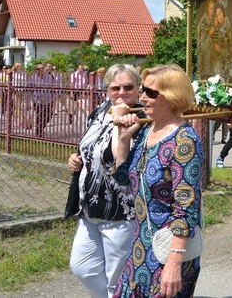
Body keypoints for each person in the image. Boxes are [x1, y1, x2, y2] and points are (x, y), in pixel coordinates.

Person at [113, 64, 204, 298]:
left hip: (168, 251)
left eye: (151, 93)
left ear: (172, 98)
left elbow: (186, 209)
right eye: (143, 90)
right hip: (141, 246)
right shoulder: (146, 131)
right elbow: (124, 180)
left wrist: (173, 263)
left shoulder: (185, 142)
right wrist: (123, 139)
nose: (142, 97)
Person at [67, 64, 145, 298]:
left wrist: (122, 123)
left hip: (120, 209)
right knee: (82, 267)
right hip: (89, 207)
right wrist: (76, 159)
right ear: (107, 90)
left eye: (128, 87)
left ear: (139, 89)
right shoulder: (101, 110)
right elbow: (90, 146)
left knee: (115, 278)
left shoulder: (142, 117)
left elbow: (120, 159)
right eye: (115, 88)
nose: (121, 93)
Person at [28, 63, 56, 137]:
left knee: (49, 115)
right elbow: (30, 89)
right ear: (36, 70)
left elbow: (53, 88)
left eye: (42, 68)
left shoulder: (50, 77)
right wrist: (31, 99)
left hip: (48, 99)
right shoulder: (32, 78)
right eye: (38, 69)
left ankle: (40, 128)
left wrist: (53, 98)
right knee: (39, 116)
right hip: (37, 100)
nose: (40, 70)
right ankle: (39, 133)